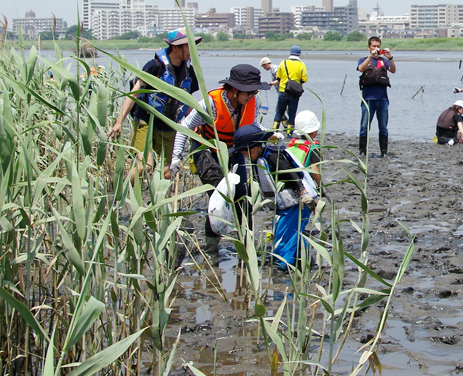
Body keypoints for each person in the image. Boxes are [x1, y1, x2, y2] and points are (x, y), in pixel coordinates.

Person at [167, 64, 270, 236]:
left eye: (255, 92)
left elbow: (252, 123)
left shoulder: (251, 102)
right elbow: (184, 126)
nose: (252, 96)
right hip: (208, 152)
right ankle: (212, 246)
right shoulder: (211, 104)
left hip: (233, 151)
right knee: (218, 197)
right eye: (249, 92)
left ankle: (246, 239)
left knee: (242, 195)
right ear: (235, 90)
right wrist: (176, 157)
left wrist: (267, 134)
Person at [107, 28, 202, 183]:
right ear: (176, 47)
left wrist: (197, 126)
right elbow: (134, 93)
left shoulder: (189, 73)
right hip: (147, 121)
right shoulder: (155, 67)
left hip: (169, 125)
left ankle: (160, 206)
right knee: (144, 166)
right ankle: (120, 195)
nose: (191, 51)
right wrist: (119, 122)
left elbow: (186, 103)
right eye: (188, 46)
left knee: (166, 173)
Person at [225, 124, 318, 269]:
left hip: (298, 199)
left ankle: (283, 264)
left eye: (244, 152)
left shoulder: (272, 155)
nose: (244, 155)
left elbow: (292, 173)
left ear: (253, 148)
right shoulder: (259, 158)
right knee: (291, 232)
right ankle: (305, 261)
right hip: (286, 202)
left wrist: (303, 193)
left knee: (284, 234)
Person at [357, 36, 396, 157]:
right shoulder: (363, 60)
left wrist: (390, 57)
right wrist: (370, 57)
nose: (376, 48)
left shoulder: (384, 61)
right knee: (364, 126)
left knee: (383, 126)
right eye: (373, 46)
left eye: (378, 46)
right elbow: (360, 69)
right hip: (368, 98)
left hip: (383, 99)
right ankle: (363, 151)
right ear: (369, 47)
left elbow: (393, 70)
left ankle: (383, 152)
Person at [273, 45, 308, 130]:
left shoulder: (283, 63)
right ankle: (290, 134)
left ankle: (274, 131)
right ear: (299, 54)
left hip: (283, 91)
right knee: (292, 113)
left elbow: (278, 77)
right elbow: (305, 79)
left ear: (290, 53)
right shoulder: (301, 64)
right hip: (294, 93)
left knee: (279, 112)